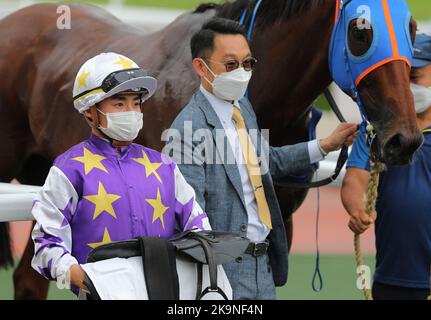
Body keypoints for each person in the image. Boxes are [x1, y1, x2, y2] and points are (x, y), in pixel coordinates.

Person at [167, 18, 358, 300]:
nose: (242, 73)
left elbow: (265, 162)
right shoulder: (186, 131)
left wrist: (325, 145)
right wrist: (210, 286)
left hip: (263, 268)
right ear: (201, 67)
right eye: (230, 65)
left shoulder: (242, 106)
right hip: (222, 274)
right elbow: (190, 219)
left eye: (248, 63)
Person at [31, 52, 211, 295]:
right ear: (89, 111)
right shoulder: (68, 169)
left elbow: (199, 229)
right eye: (119, 103)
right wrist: (88, 281)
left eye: (135, 103)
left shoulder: (164, 165)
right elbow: (46, 247)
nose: (131, 111)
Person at [341, 34, 431, 300]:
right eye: (402, 77)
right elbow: (355, 178)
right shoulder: (375, 128)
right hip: (390, 279)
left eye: (414, 78)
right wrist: (357, 209)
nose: (406, 86)